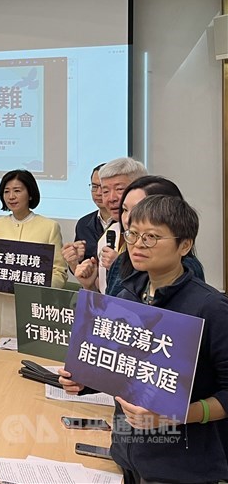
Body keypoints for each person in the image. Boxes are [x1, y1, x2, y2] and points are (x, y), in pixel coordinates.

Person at [59, 195, 228, 483]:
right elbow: (121, 367)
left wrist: (181, 414)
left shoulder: (210, 307)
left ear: (184, 245)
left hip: (182, 466)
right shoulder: (127, 294)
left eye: (151, 237)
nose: (137, 245)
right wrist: (85, 379)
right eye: (133, 234)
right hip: (128, 453)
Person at [75, 175, 205, 296]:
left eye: (138, 211)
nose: (127, 220)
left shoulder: (186, 269)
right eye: (125, 210)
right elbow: (109, 313)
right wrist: (90, 287)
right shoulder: (122, 260)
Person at [0, 169, 66, 337]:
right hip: (4, 305)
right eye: (6, 191)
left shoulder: (49, 226)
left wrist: (39, 291)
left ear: (30, 194)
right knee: (2, 353)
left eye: (17, 190)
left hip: (36, 304)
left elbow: (59, 271)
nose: (11, 196)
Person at [92, 157, 147, 292]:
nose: (112, 198)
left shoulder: (155, 238)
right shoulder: (108, 235)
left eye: (120, 189)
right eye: (105, 191)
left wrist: (121, 267)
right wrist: (89, 284)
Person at [62, 163, 110, 269]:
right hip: (91, 284)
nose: (98, 192)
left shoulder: (127, 222)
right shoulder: (84, 224)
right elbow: (80, 270)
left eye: (103, 187)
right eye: (94, 187)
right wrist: (76, 260)